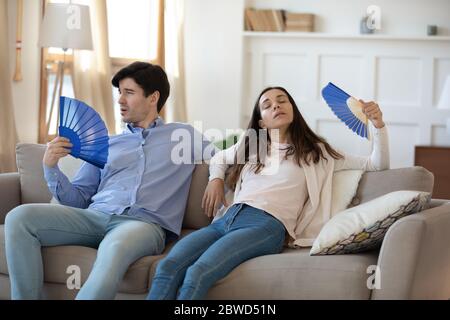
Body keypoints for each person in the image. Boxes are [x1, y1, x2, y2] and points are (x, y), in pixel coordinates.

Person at [147, 86, 389, 300]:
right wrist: (216, 179)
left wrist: (378, 124)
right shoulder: (252, 145)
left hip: (265, 225)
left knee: (198, 271)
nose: (276, 105)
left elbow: (376, 164)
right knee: (168, 266)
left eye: (282, 100)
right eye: (268, 104)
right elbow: (219, 157)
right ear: (261, 122)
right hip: (227, 220)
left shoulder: (318, 152)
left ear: (293, 110)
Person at [4, 62, 214, 300]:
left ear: (153, 97)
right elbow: (79, 198)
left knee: (114, 247)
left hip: (143, 224)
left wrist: (216, 179)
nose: (120, 100)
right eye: (119, 93)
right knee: (19, 218)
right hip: (94, 217)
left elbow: (226, 159)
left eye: (129, 93)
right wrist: (51, 167)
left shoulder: (183, 136)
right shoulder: (108, 143)